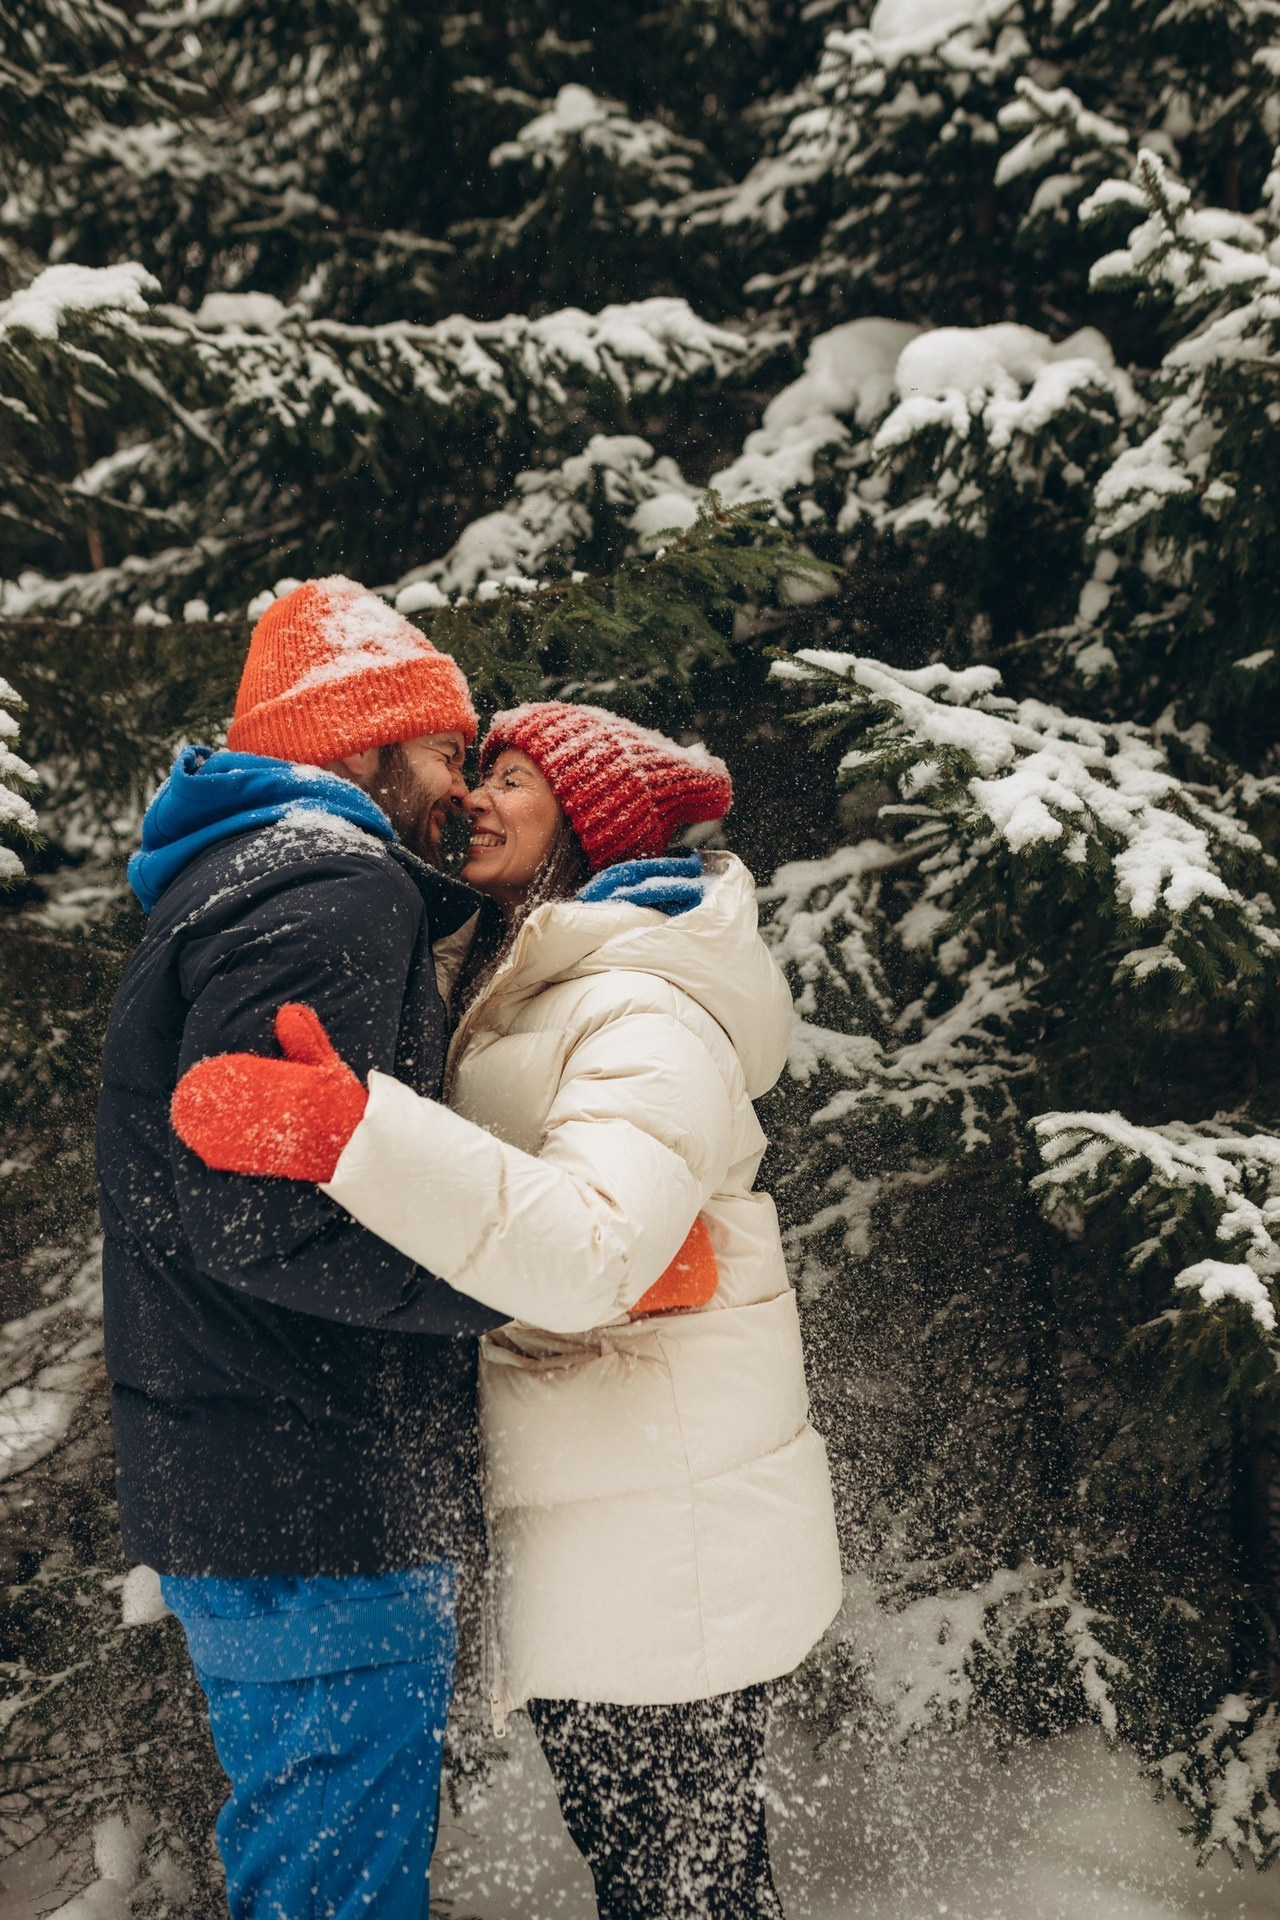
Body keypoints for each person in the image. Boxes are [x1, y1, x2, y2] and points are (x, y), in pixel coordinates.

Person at [172, 700, 845, 1920]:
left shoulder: (639, 1007)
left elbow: (589, 1245)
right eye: (477, 771)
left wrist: (355, 1135)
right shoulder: (527, 983)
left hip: (665, 1541)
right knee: (665, 1875)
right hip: (613, 1527)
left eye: (517, 779)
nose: (475, 795)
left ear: (584, 826)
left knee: (680, 1892)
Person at [96, 576, 508, 1920]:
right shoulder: (331, 887)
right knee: (334, 1887)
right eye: (448, 750)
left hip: (264, 1482)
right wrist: (505, 1284)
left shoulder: (239, 882)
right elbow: (259, 1209)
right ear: (365, 744)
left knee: (314, 1861)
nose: (463, 785)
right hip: (317, 1494)